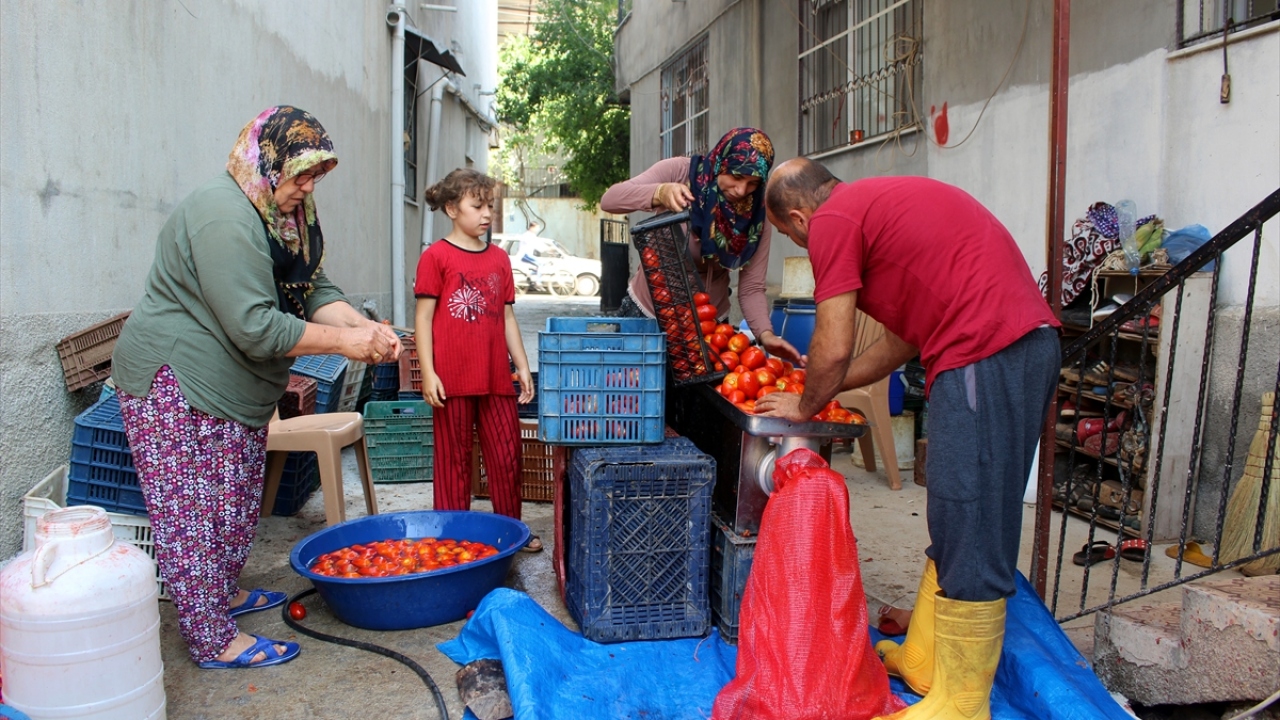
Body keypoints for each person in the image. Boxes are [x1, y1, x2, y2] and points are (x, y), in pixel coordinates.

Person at [756, 158, 1060, 719]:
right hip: (1004, 346)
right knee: (954, 505)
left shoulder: (833, 221)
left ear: (797, 218)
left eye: (788, 235)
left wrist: (805, 403)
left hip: (988, 350)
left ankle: (962, 705)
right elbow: (900, 342)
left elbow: (833, 344)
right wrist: (827, 386)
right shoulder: (875, 209)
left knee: (971, 515)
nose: (799, 243)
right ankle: (925, 658)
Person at [112, 106, 402, 670]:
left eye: (317, 175)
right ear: (267, 162)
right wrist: (345, 343)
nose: (309, 187)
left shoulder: (281, 212)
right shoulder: (223, 215)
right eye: (302, 174)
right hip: (178, 383)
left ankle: (220, 596)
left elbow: (312, 287)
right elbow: (255, 326)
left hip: (233, 390)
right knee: (193, 517)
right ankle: (210, 638)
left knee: (233, 503)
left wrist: (362, 327)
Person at [414, 169, 540, 551]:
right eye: (477, 206)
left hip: (495, 377)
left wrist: (521, 364)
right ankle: (452, 537)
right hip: (451, 380)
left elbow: (507, 317)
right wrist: (429, 373)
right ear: (452, 209)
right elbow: (423, 319)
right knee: (453, 462)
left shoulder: (499, 259)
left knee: (506, 456)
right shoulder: (435, 257)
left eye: (490, 206)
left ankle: (512, 532)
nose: (486, 214)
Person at [601, 127, 803, 362]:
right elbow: (611, 199)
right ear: (721, 162)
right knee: (631, 384)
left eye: (753, 183)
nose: (741, 190)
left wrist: (766, 335)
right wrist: (659, 192)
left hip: (708, 329)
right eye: (736, 177)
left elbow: (751, 287)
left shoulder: (756, 215)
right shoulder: (680, 172)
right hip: (649, 315)